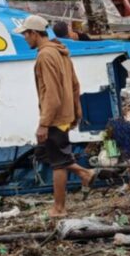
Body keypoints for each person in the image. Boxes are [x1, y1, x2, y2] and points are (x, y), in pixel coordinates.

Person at [15, 14, 94, 217]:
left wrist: (44, 123)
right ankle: (83, 173)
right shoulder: (60, 52)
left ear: (34, 33)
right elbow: (75, 85)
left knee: (58, 162)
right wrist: (76, 112)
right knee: (48, 153)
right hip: (64, 114)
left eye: (26, 34)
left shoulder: (45, 56)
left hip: (55, 116)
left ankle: (59, 208)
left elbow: (51, 93)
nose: (25, 39)